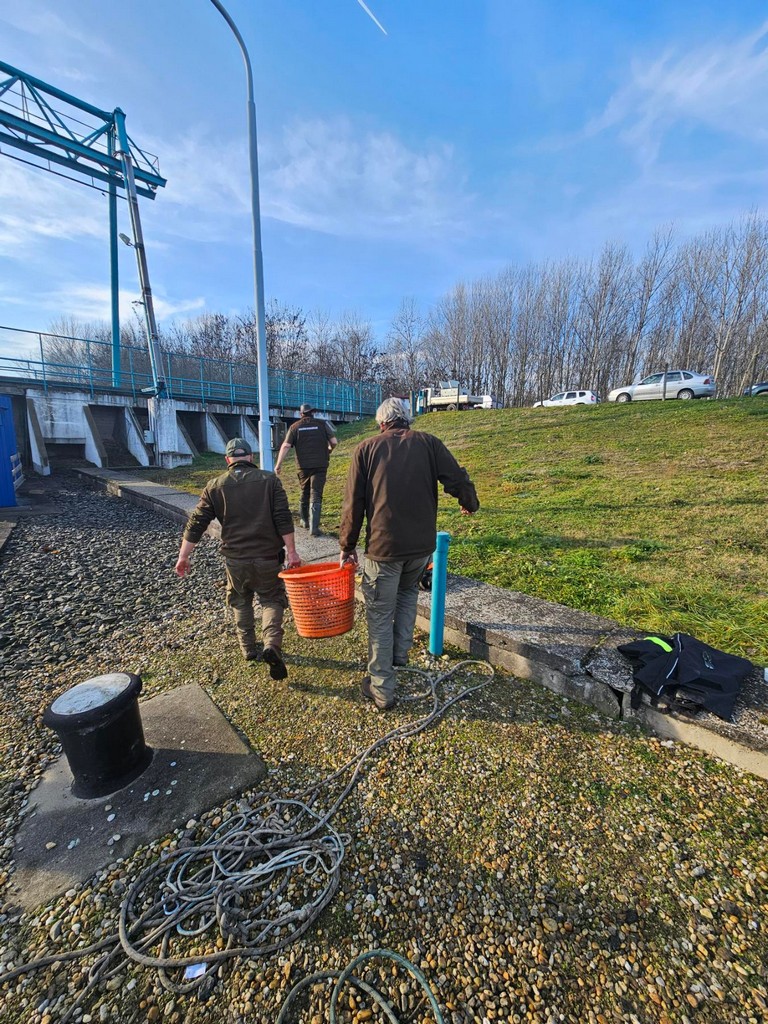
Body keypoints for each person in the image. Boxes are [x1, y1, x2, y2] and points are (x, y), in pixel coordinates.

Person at [338, 397, 479, 711]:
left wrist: (347, 547)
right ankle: (398, 658)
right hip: (420, 549)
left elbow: (353, 504)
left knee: (379, 615)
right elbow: (456, 477)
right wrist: (469, 501)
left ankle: (381, 688)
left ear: (381, 423)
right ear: (406, 418)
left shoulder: (366, 449)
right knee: (406, 597)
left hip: (383, 550)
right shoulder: (429, 443)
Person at [175, 437, 301, 679]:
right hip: (268, 556)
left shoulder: (214, 486)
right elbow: (283, 517)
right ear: (251, 457)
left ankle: (248, 648)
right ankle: (271, 645)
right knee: (272, 600)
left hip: (236, 559)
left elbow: (196, 523)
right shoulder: (270, 480)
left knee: (240, 600)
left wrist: (184, 556)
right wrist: (292, 552)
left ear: (227, 460)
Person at [274, 403, 338, 536]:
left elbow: (286, 446)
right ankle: (314, 528)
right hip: (320, 464)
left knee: (305, 490)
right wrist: (329, 449)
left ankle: (304, 521)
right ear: (312, 412)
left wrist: (278, 464)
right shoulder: (322, 424)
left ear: (300, 414)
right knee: (316, 493)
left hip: (303, 466)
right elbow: (334, 442)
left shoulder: (294, 427)